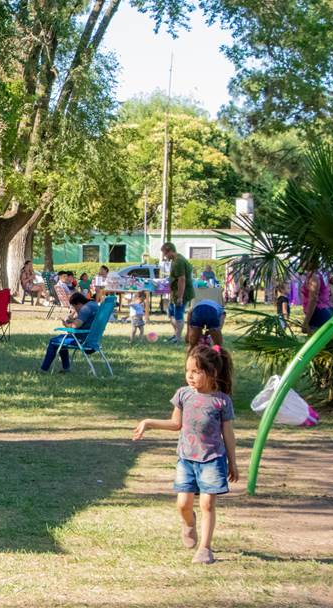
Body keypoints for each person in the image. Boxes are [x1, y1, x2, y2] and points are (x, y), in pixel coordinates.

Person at [132, 344, 238, 564]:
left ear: (212, 373)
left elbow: (228, 434)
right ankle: (189, 524)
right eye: (188, 371)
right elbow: (175, 424)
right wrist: (148, 423)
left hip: (212, 460)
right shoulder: (183, 395)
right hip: (186, 459)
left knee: (208, 504)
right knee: (183, 504)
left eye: (196, 372)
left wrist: (232, 461)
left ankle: (205, 549)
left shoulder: (221, 401)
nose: (190, 376)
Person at [39, 292, 99, 373]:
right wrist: (73, 317)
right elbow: (85, 321)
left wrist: (66, 325)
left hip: (82, 340)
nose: (75, 309)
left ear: (78, 303)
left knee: (53, 341)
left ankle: (43, 369)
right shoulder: (94, 305)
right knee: (61, 340)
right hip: (93, 340)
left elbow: (75, 326)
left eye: (74, 306)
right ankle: (65, 368)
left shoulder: (85, 309)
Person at [162, 242, 194, 344]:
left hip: (181, 293)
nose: (164, 256)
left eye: (165, 253)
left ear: (170, 251)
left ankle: (178, 338)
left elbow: (182, 279)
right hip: (174, 293)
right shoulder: (176, 259)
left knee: (178, 315)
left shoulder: (178, 261)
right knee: (170, 313)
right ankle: (176, 334)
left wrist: (180, 297)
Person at [301, 264, 333, 334]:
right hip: (327, 310)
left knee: (316, 343)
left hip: (318, 314)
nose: (301, 262)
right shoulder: (322, 273)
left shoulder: (313, 276)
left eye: (303, 259)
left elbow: (313, 299)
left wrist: (306, 321)